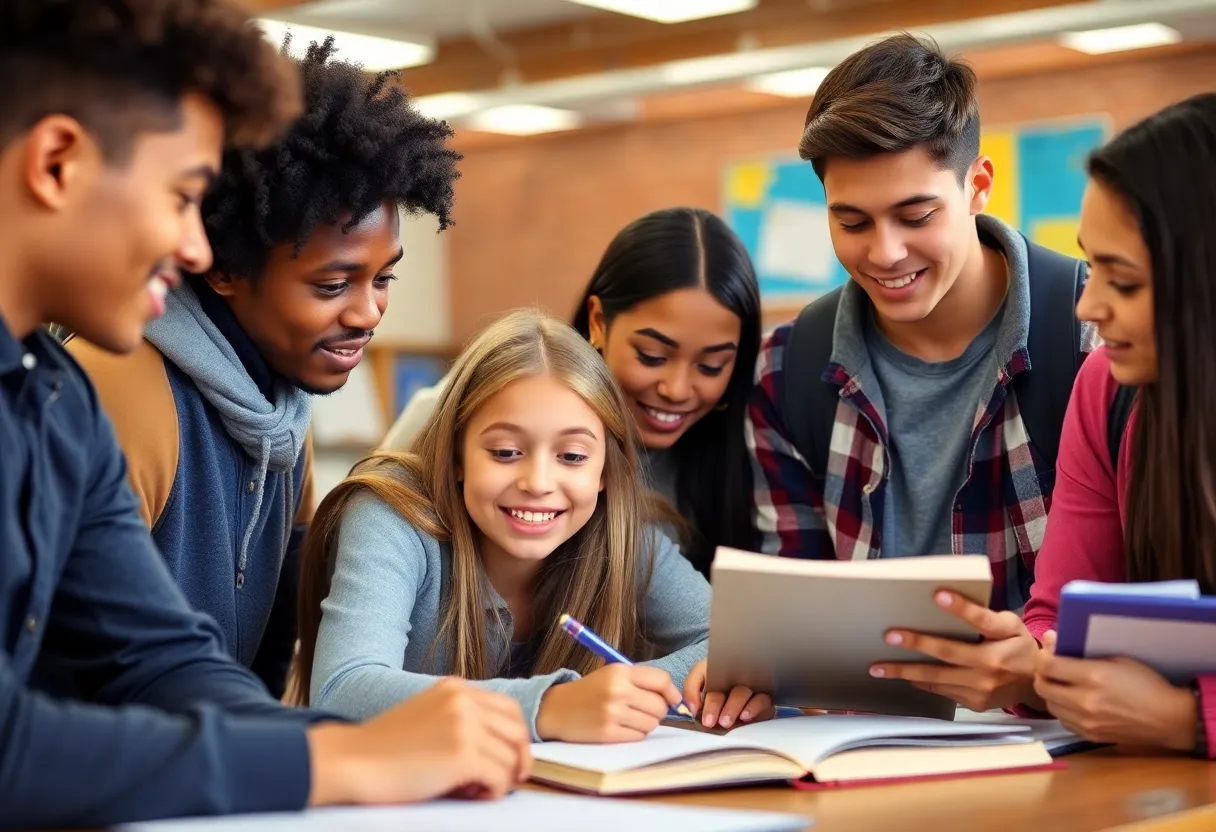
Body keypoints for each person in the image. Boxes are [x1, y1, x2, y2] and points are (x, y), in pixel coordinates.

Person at [0, 2, 528, 827]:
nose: (199, 247)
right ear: (59, 162)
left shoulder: (49, 395)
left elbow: (163, 661)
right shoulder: (108, 393)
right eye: (181, 196)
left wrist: (377, 751)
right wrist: (344, 755)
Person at [64, 34, 462, 699]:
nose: (368, 313)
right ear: (223, 268)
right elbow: (91, 661)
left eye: (383, 279)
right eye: (333, 285)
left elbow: (273, 650)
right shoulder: (121, 387)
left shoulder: (281, 409)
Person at [874, 93, 1216, 754]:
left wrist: (1188, 719)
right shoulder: (1108, 390)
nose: (1089, 304)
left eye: (1125, 282)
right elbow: (1060, 611)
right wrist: (1028, 661)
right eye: (1093, 267)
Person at [747, 33, 1098, 627]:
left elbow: (1145, 582)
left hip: (1050, 709)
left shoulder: (1093, 333)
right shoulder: (788, 368)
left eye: (916, 216)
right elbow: (795, 615)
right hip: (857, 716)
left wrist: (1035, 670)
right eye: (851, 221)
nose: (884, 253)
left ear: (978, 186)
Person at [292, 310, 770, 739]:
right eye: (505, 452)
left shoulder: (626, 532)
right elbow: (343, 689)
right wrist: (549, 708)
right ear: (456, 452)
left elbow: (733, 644)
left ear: (604, 470)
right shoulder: (390, 513)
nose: (539, 482)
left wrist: (654, 690)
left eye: (573, 456)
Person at [383, 207, 762, 576]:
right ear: (598, 322)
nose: (676, 390)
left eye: (711, 366)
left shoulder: (738, 455)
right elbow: (374, 533)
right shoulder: (461, 407)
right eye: (651, 356)